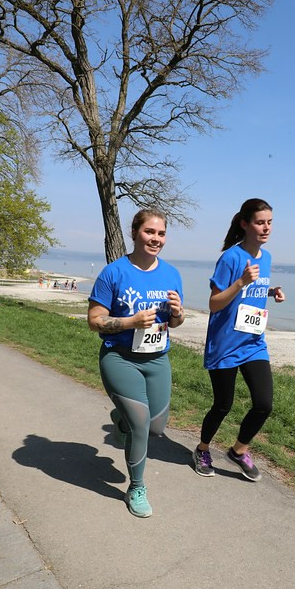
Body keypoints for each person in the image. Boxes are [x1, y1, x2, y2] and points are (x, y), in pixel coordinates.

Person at [88, 209, 184, 518]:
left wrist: (179, 313)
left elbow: (175, 321)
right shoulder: (114, 273)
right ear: (135, 233)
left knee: (156, 427)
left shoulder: (171, 274)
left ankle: (120, 420)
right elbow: (94, 321)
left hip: (157, 359)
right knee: (141, 425)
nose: (156, 239)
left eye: (161, 234)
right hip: (120, 358)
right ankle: (137, 487)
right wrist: (130, 322)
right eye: (149, 232)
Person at [193, 198, 285, 482]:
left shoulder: (266, 257)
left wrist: (271, 292)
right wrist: (241, 282)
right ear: (245, 224)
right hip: (225, 344)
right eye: (260, 222)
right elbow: (215, 303)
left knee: (264, 404)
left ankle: (238, 450)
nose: (266, 228)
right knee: (223, 405)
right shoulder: (230, 258)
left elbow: (252, 292)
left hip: (253, 342)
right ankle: (202, 449)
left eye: (270, 222)